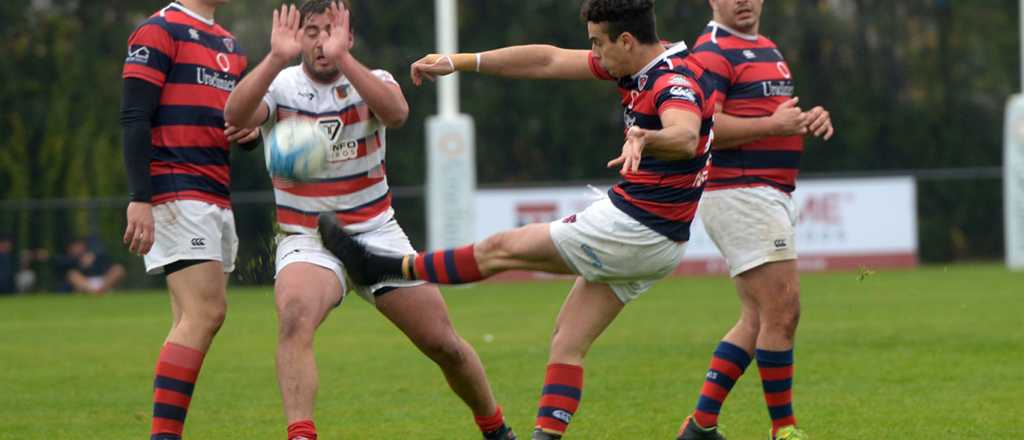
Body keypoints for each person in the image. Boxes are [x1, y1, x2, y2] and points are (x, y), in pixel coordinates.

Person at [317, 1, 715, 438]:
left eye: (598, 44)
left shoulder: (670, 79)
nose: (594, 55)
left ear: (625, 40)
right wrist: (460, 61)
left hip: (636, 227)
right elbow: (545, 59)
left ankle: (383, 266)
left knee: (499, 250)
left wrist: (648, 137)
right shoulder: (638, 64)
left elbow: (684, 134)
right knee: (568, 341)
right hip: (659, 238)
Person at [223, 2, 515, 439]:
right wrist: (273, 58)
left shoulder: (373, 80)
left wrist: (344, 60)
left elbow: (396, 113)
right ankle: (301, 435)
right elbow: (235, 117)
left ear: (350, 37)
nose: (321, 42)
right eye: (312, 32)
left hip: (375, 234)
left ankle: (495, 428)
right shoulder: (281, 85)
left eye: (331, 31)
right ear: (297, 37)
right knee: (295, 316)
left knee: (444, 345)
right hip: (308, 238)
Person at [673, 1, 834, 440]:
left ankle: (701, 425)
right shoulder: (710, 52)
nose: (742, 0)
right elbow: (702, 127)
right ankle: (784, 429)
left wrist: (804, 120)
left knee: (758, 317)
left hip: (769, 192)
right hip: (740, 191)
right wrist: (772, 124)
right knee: (783, 309)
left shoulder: (767, 48)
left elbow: (774, 120)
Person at [120, 1, 259, 438]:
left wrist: (251, 133)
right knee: (207, 312)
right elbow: (134, 116)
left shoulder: (231, 46)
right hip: (176, 187)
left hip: (216, 190)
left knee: (189, 317)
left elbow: (237, 122)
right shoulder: (159, 30)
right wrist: (140, 197)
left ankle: (166, 433)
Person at [59, 239, 126, 295]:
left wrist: (93, 257)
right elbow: (65, 267)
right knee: (72, 274)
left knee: (118, 269)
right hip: (86, 282)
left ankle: (100, 290)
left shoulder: (96, 253)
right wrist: (80, 263)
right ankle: (94, 292)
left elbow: (108, 264)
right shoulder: (70, 259)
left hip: (103, 280)